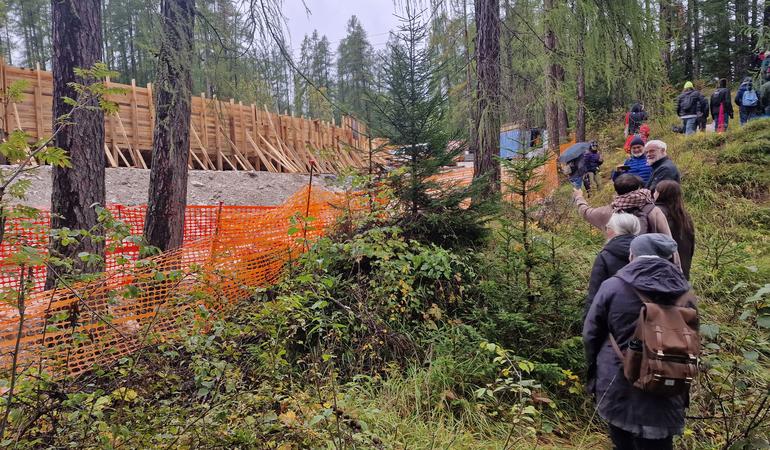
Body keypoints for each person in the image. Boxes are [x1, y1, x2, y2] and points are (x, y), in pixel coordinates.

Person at [583, 233, 694, 450]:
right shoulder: (685, 292)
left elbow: (591, 333)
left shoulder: (613, 286)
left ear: (633, 256)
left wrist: (593, 374)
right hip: (668, 386)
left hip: (619, 383)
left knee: (622, 443)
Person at [573, 174, 673, 238]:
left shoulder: (607, 212)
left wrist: (579, 196)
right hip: (650, 265)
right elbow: (669, 241)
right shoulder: (653, 210)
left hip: (620, 267)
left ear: (616, 191)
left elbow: (585, 212)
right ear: (639, 187)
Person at [584, 213, 639, 315]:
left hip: (614, 318)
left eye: (608, 228)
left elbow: (595, 295)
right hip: (646, 319)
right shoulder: (648, 253)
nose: (606, 231)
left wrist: (588, 325)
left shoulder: (605, 256)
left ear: (614, 231)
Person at [655, 181, 695, 280]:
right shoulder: (684, 215)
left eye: (656, 191)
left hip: (663, 272)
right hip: (682, 270)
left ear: (660, 194)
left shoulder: (656, 213)